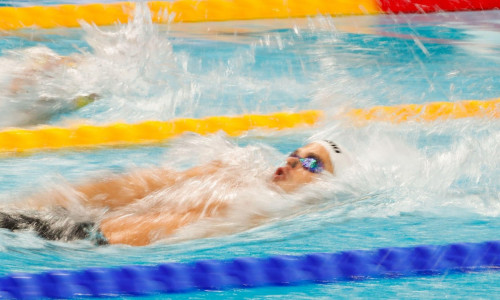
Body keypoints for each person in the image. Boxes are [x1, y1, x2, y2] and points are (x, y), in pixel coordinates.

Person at [0, 140, 349, 246]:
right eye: (293, 155)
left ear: (328, 185)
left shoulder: (274, 215)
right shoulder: (235, 176)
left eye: (312, 164)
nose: (290, 163)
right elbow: (138, 184)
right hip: (80, 225)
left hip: (88, 241)